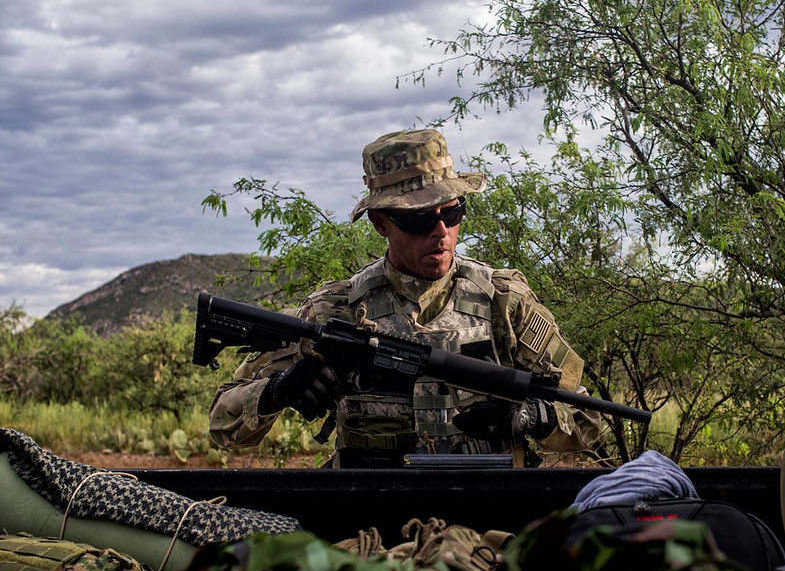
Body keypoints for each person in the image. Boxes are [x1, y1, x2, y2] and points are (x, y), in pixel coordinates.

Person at [208, 128, 601, 467]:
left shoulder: (504, 303)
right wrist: (276, 392)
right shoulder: (334, 311)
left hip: (490, 509)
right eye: (419, 219)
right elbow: (222, 427)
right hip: (373, 521)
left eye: (453, 212)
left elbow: (589, 422)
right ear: (381, 223)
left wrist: (532, 416)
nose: (441, 231)